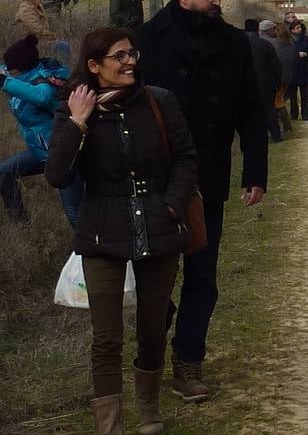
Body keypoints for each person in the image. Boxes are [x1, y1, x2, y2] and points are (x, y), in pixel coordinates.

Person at [45, 26, 198, 434]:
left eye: (132, 54)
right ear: (94, 66)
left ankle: (149, 411)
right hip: (102, 232)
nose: (130, 62)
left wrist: (171, 204)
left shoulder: (159, 102)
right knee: (107, 337)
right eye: (120, 57)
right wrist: (79, 122)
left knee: (152, 328)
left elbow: (185, 157)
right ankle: (109, 427)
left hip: (158, 225)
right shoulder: (72, 109)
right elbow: (58, 175)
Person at [135, 0, 267, 402]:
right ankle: (150, 359)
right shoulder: (143, 41)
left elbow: (251, 107)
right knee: (154, 278)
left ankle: (188, 362)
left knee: (203, 274)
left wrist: (255, 172)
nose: (218, 2)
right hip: (152, 178)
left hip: (207, 175)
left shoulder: (233, 43)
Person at [0, 34, 81, 225]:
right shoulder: (25, 78)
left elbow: (41, 97)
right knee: (4, 173)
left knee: (74, 213)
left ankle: (92, 248)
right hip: (42, 151)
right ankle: (21, 226)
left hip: (65, 154)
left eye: (11, 70)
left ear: (19, 68)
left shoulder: (45, 80)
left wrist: (5, 82)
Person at [245, 20, 284, 143]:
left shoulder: (237, 45)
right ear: (258, 29)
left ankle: (253, 137)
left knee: (248, 113)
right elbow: (276, 67)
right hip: (266, 84)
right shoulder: (265, 45)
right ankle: (276, 136)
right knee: (270, 111)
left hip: (245, 85)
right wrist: (277, 83)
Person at [258, 20, 295, 136]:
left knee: (276, 102)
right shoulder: (289, 43)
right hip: (287, 76)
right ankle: (284, 127)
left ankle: (282, 128)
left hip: (277, 78)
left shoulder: (270, 43)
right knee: (278, 100)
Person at [287, 19, 308, 120]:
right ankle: (294, 114)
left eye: (300, 27)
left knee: (305, 95)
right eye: (297, 28)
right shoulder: (288, 40)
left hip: (304, 69)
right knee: (292, 95)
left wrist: (306, 54)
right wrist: (295, 55)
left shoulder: (305, 38)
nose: (299, 30)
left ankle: (306, 114)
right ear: (292, 30)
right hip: (292, 70)